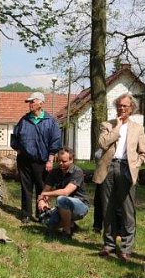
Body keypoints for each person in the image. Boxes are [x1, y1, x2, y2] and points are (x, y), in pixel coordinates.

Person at [94, 93, 145, 261]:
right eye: (119, 105)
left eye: (125, 106)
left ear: (132, 108)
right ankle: (109, 244)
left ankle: (126, 247)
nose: (121, 108)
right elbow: (102, 143)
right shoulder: (107, 125)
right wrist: (117, 127)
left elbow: (143, 152)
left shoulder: (138, 128)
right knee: (107, 208)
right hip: (108, 168)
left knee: (127, 210)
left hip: (127, 168)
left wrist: (137, 163)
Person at [11, 92, 62, 224]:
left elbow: (55, 142)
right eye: (29, 102)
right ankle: (26, 214)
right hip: (24, 161)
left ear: (40, 103)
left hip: (42, 161)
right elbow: (15, 137)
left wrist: (50, 160)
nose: (30, 104)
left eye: (32, 102)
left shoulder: (50, 122)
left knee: (42, 188)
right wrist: (18, 148)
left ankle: (41, 214)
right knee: (26, 188)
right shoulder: (24, 120)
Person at [37, 147, 90, 237]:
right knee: (45, 220)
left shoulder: (77, 172)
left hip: (80, 205)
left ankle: (67, 232)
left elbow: (66, 192)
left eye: (64, 161)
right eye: (59, 161)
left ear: (71, 160)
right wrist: (42, 201)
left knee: (62, 199)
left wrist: (44, 194)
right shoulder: (54, 172)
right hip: (62, 206)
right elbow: (46, 189)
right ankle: (71, 224)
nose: (61, 163)